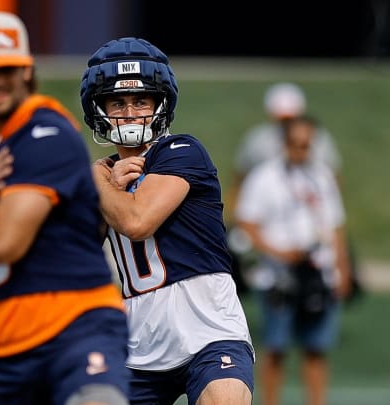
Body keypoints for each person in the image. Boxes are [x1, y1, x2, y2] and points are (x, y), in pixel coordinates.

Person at [0, 11, 130, 405]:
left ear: (27, 71)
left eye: (8, 69)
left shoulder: (46, 132)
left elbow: (5, 242)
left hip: (74, 321)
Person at [80, 37, 255, 405]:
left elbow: (138, 220)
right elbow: (75, 260)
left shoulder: (182, 151)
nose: (130, 113)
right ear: (100, 109)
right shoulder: (104, 177)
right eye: (118, 102)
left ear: (161, 104)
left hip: (209, 330)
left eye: (141, 100)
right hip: (137, 341)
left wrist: (97, 183)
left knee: (223, 400)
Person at [234, 115, 353, 405]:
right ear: (283, 143)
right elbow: (246, 222)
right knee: (275, 348)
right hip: (278, 276)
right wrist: (277, 251)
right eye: (295, 144)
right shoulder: (264, 177)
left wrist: (343, 269)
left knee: (316, 348)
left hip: (317, 274)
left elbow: (336, 225)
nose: (301, 150)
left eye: (306, 144)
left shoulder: (322, 176)